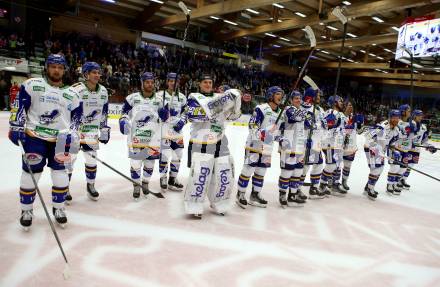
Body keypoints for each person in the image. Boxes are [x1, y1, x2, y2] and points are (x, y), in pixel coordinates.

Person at [8, 54, 82, 229]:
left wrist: (73, 134)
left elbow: (77, 119)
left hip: (60, 141)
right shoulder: (32, 85)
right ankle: (26, 210)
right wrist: (16, 127)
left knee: (61, 175)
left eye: (60, 67)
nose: (56, 70)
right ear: (47, 67)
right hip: (35, 137)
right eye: (53, 66)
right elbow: (19, 107)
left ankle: (59, 208)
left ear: (64, 70)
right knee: (30, 176)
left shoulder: (72, 94)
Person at [183, 74, 241, 218]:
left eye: (210, 82)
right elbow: (195, 115)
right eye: (205, 82)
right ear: (199, 84)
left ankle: (219, 203)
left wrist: (236, 102)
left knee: (223, 174)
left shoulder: (221, 97)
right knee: (200, 175)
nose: (208, 84)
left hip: (220, 140)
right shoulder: (194, 97)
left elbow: (234, 116)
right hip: (201, 141)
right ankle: (194, 205)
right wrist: (220, 103)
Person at [66, 62, 110, 203]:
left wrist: (104, 129)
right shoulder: (75, 89)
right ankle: (64, 187)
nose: (97, 75)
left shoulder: (103, 91)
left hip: (91, 133)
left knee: (91, 160)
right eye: (94, 72)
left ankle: (90, 185)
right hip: (74, 132)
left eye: (98, 72)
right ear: (86, 74)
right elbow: (66, 110)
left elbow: (104, 112)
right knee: (69, 160)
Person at [236, 86, 285, 209]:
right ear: (270, 95)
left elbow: (279, 132)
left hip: (268, 147)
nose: (280, 96)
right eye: (278, 94)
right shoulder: (261, 108)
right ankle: (240, 193)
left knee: (261, 171)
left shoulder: (280, 113)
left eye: (281, 94)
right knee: (248, 169)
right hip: (254, 145)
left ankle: (255, 194)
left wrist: (280, 139)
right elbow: (252, 125)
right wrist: (264, 133)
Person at [119, 72, 166, 200]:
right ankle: (136, 185)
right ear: (142, 83)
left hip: (153, 139)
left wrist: (166, 114)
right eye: (147, 82)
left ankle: (145, 182)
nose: (150, 84)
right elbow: (124, 113)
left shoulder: (160, 100)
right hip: (136, 137)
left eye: (152, 82)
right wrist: (123, 120)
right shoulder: (132, 98)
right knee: (135, 164)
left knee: (149, 164)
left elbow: (166, 119)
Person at [277, 90, 311, 207]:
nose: (298, 100)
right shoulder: (288, 110)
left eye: (299, 98)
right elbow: (294, 117)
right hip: (288, 146)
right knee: (287, 172)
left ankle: (292, 195)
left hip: (300, 147)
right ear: (291, 100)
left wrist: (311, 119)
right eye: (296, 98)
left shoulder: (301, 111)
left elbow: (309, 125)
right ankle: (282, 194)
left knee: (298, 172)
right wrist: (307, 114)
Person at [155, 72, 187, 191]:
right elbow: (153, 112)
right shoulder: (159, 95)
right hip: (164, 131)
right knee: (164, 156)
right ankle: (163, 177)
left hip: (177, 132)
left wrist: (182, 121)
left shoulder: (182, 97)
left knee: (178, 155)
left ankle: (172, 179)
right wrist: (160, 114)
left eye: (176, 81)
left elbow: (186, 112)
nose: (173, 83)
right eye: (171, 81)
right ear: (167, 81)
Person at [363, 110, 400, 200]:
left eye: (398, 118)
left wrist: (394, 151)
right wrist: (374, 148)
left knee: (380, 169)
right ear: (390, 117)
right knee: (376, 169)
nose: (396, 119)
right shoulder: (382, 126)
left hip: (381, 151)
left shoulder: (396, 130)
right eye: (394, 117)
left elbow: (391, 144)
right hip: (371, 148)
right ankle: (370, 190)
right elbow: (367, 136)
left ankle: (368, 187)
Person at [299, 88, 326, 199]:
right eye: (317, 96)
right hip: (306, 142)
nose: (319, 98)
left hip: (316, 142)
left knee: (319, 164)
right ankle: (298, 189)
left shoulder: (320, 109)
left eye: (319, 96)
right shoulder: (304, 107)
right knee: (304, 167)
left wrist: (328, 123)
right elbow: (304, 124)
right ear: (311, 96)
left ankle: (313, 188)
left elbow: (324, 125)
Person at [320, 95, 346, 196]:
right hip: (329, 143)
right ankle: (322, 184)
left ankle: (334, 183)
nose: (342, 103)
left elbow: (341, 128)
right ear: (334, 103)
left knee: (338, 164)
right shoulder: (328, 113)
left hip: (337, 144)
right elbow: (324, 127)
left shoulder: (340, 114)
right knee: (331, 165)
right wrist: (329, 124)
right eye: (340, 101)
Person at [402, 109, 437, 185]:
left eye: (421, 116)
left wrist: (429, 146)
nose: (420, 117)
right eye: (419, 115)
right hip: (407, 149)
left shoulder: (424, 127)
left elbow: (423, 141)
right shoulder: (409, 124)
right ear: (414, 116)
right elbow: (404, 137)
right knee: (403, 166)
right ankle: (397, 181)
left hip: (416, 150)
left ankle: (403, 180)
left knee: (410, 166)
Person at [387, 104, 415, 194]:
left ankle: (395, 183)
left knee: (403, 168)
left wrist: (413, 144)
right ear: (403, 112)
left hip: (405, 149)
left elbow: (411, 137)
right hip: (395, 148)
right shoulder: (396, 122)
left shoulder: (411, 123)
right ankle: (389, 184)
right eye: (409, 110)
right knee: (395, 167)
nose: (410, 112)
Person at [337, 101, 364, 191]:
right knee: (337, 165)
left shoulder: (355, 117)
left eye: (352, 105)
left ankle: (344, 181)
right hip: (339, 145)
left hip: (350, 146)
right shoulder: (339, 116)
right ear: (344, 106)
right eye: (349, 105)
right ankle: (334, 182)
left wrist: (360, 124)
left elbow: (360, 132)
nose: (351, 107)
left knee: (347, 165)